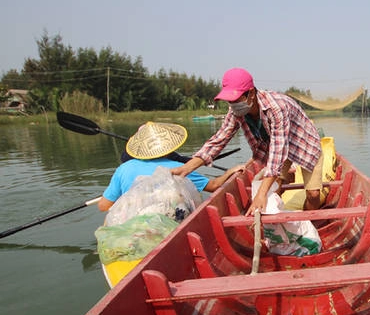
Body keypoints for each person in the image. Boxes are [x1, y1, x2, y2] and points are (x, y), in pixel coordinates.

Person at [171, 68, 323, 216]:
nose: (233, 105)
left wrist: (261, 195)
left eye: (236, 100)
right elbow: (219, 139)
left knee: (313, 194)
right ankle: (279, 223)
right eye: (230, 101)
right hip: (277, 146)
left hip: (303, 144)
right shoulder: (237, 111)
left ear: (251, 93)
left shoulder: (277, 108)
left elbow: (278, 152)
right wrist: (187, 168)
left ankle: (309, 223)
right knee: (273, 189)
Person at [98, 121, 244, 212]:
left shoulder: (123, 169)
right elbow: (214, 185)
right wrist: (230, 171)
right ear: (167, 146)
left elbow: (103, 206)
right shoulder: (180, 168)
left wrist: (127, 198)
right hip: (169, 221)